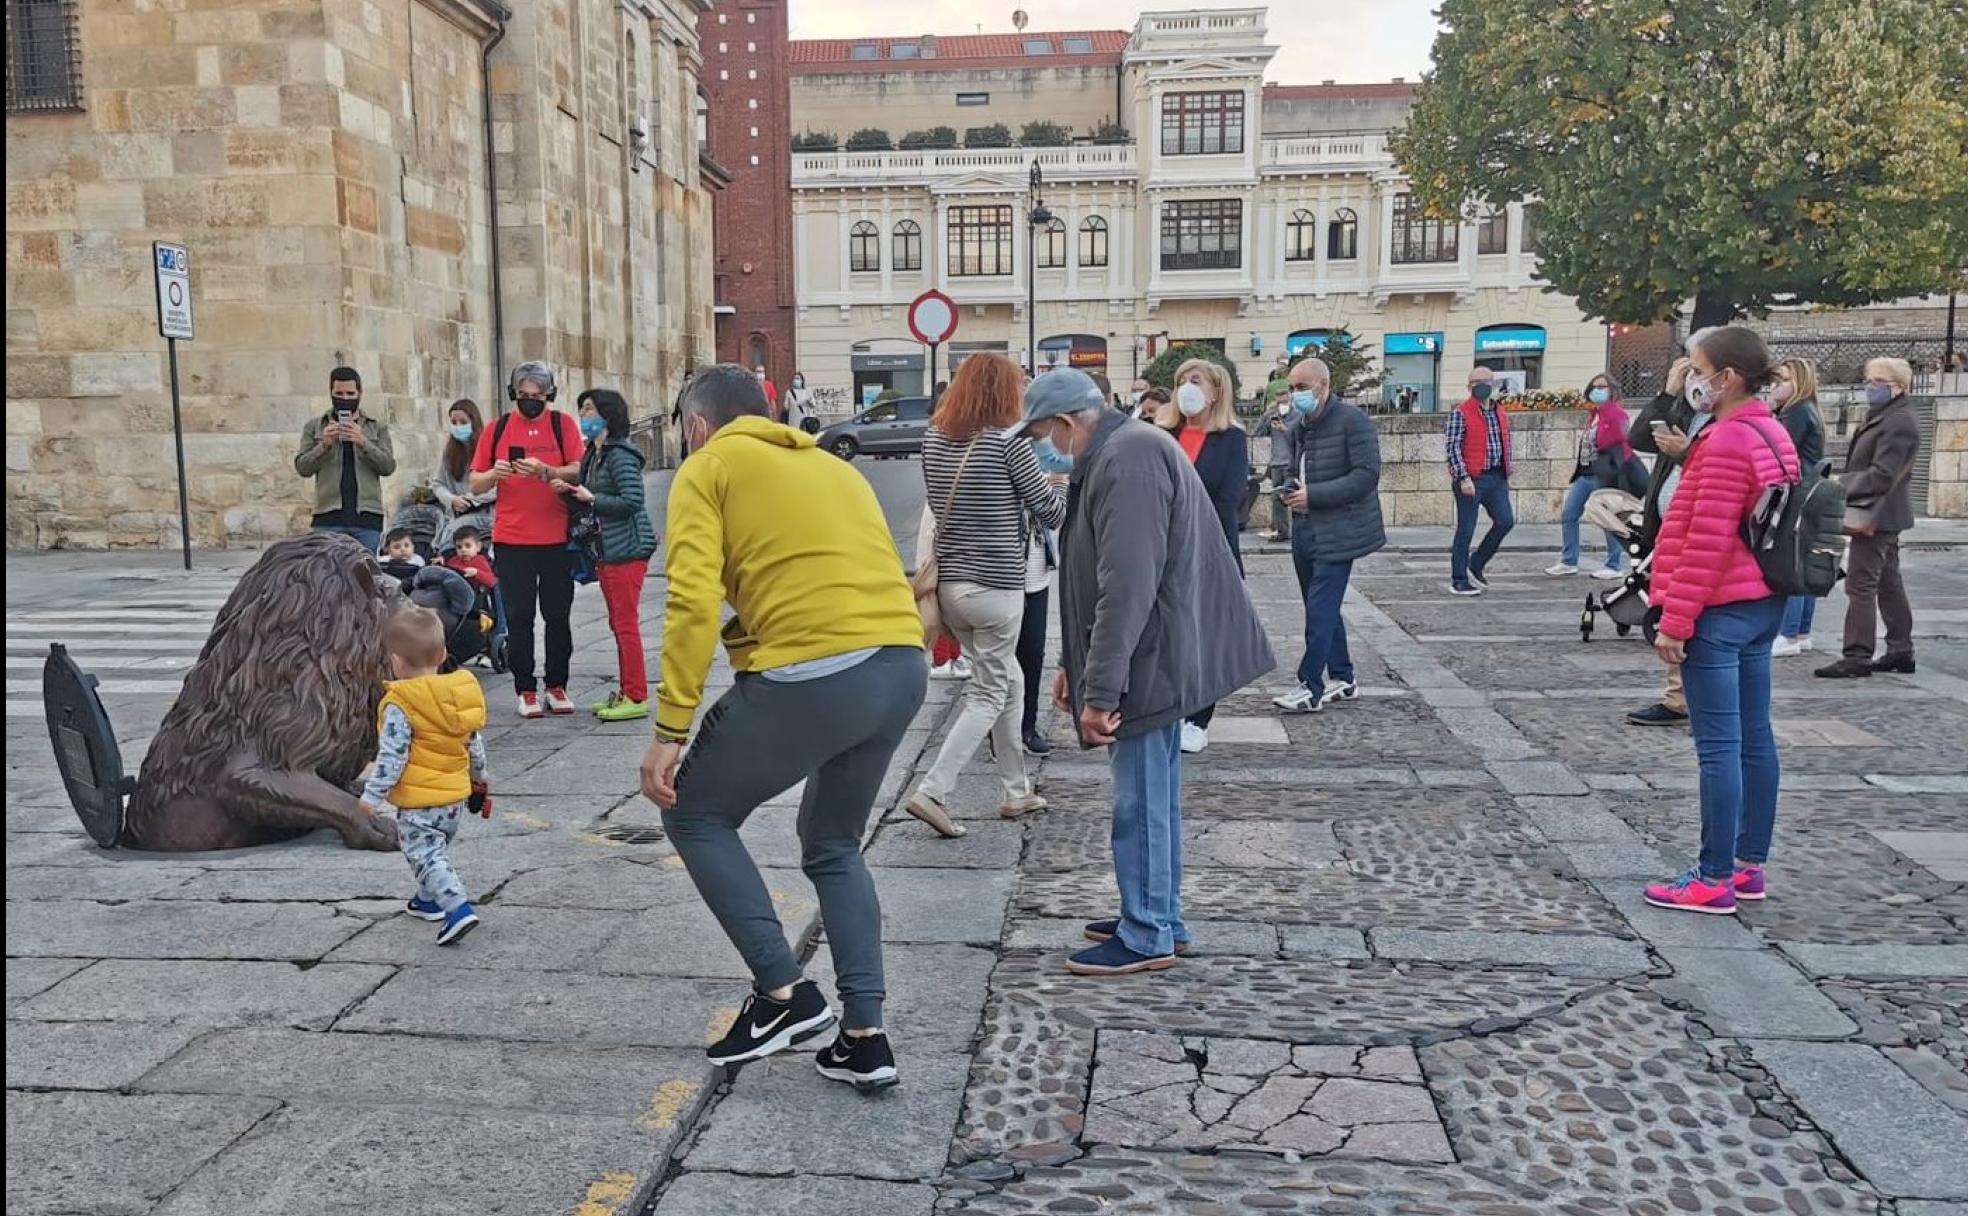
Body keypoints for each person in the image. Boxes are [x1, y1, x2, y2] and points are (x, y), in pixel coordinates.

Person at [640, 364, 927, 1090]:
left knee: (695, 814)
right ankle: (865, 1036)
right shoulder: (834, 468)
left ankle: (783, 993)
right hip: (899, 664)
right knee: (834, 844)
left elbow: (693, 602)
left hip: (815, 670)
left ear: (696, 424)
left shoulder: (708, 467)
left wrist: (670, 730)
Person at [1019, 369, 1275, 975]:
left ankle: (1146, 933)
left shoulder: (1127, 458)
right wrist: (1071, 666)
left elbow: (1125, 587)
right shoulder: (1124, 449)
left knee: (1140, 804)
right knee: (1153, 798)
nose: (1044, 445)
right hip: (1153, 652)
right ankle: (1160, 913)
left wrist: (1100, 690)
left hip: (1148, 659)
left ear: (1067, 421)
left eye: (1042, 433)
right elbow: (1098, 577)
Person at [1640, 326, 1796, 915]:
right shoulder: (1770, 429)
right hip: (1759, 602)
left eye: (1697, 367)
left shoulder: (1729, 439)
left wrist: (1675, 621)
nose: (1692, 377)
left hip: (1721, 608)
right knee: (1755, 738)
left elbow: (1705, 539)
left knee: (1720, 748)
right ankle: (1748, 866)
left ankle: (1712, 878)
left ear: (1727, 377)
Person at [906, 354, 1068, 835]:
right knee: (988, 691)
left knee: (1008, 679)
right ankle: (933, 789)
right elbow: (1051, 514)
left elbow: (940, 507)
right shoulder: (1008, 445)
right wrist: (1060, 483)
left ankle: (1016, 790)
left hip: (952, 587)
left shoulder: (933, 440)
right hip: (998, 588)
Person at [359, 607, 491, 945]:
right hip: (454, 798)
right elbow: (473, 744)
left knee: (425, 854)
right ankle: (426, 899)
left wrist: (372, 796)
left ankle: (457, 908)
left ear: (396, 662)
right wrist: (480, 780)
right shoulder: (456, 697)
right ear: (444, 654)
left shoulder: (400, 704)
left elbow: (392, 755)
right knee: (432, 850)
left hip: (420, 802)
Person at [470, 361, 584, 719]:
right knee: (519, 616)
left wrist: (545, 470)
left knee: (557, 615)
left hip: (555, 537)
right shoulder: (497, 428)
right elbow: (475, 482)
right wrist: (494, 473)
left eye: (537, 396)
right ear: (513, 395)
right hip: (512, 538)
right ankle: (525, 688)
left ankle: (556, 684)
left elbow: (579, 468)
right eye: (523, 395)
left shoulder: (561, 424)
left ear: (548, 395)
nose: (530, 401)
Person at [1272, 357, 1384, 713]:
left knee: (1320, 609)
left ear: (1322, 385)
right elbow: (1295, 467)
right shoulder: (1301, 425)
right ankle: (1343, 674)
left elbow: (1366, 475)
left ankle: (1310, 684)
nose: (1295, 394)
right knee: (1321, 606)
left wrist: (1315, 495)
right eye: (1291, 387)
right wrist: (1290, 489)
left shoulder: (1353, 422)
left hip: (1339, 530)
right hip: (1306, 528)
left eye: (1301, 387)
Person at [1156, 359, 1250, 754]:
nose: (1186, 388)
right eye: (1180, 381)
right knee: (1171, 635)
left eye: (1194, 381)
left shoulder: (1231, 438)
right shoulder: (1164, 434)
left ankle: (1199, 717)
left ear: (1215, 391)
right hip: (1166, 549)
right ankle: (1173, 706)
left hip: (1211, 547)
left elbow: (1230, 497)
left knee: (1206, 636)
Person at [1625, 331, 1719, 727]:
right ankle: (1678, 697)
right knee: (1671, 606)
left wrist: (1689, 453)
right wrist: (1667, 394)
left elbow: (1721, 467)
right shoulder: (1689, 405)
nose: (1692, 373)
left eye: (1698, 366)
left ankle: (1691, 701)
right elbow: (1639, 437)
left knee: (1693, 616)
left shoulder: (1728, 416)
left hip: (1701, 529)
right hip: (1669, 524)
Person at [554, 389, 659, 721]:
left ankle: (637, 694)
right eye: (582, 409)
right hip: (606, 548)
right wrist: (572, 491)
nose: (583, 416)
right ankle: (627, 690)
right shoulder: (594, 453)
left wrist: (592, 497)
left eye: (588, 410)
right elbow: (592, 497)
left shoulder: (619, 455)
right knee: (618, 623)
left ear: (607, 415)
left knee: (625, 625)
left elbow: (632, 501)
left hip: (626, 548)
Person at [1818, 357, 1922, 679]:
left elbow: (1882, 474)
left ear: (1899, 386)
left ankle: (1857, 654)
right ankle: (1900, 650)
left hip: (1879, 514)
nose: (1869, 386)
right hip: (1884, 513)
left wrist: (1840, 485)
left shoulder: (1899, 421)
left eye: (1878, 381)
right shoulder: (1888, 415)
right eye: (1868, 379)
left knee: (1860, 583)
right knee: (1889, 582)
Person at [296, 366, 396, 554]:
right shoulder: (314, 427)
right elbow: (302, 467)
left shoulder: (376, 427)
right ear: (331, 393)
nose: (345, 398)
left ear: (360, 393)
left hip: (366, 517)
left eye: (350, 393)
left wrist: (363, 442)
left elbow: (388, 466)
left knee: (364, 575)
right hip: (328, 517)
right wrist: (323, 446)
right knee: (326, 576)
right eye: (339, 393)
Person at [1548, 374, 1633, 579]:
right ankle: (1569, 561)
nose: (1597, 391)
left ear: (1612, 389)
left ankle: (1614, 565)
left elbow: (1623, 443)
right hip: (1585, 474)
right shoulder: (1594, 414)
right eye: (1594, 387)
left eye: (1602, 387)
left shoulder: (1617, 415)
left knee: (1607, 519)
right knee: (1569, 514)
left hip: (1604, 474)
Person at [1768, 359, 1826, 657]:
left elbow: (1780, 451)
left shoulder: (1796, 412)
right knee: (1802, 564)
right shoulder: (1806, 409)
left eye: (1782, 381)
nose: (1775, 387)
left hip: (1796, 493)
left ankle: (1789, 633)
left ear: (1798, 381)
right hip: (1809, 491)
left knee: (1791, 564)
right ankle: (1800, 631)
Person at [1444, 367, 1513, 595]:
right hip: (1471, 477)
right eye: (1475, 382)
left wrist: (1507, 468)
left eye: (1485, 381)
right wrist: (1463, 477)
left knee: (1505, 521)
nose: (1481, 385)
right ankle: (1459, 579)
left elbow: (1503, 441)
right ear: (1468, 386)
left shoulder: (1499, 412)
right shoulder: (1460, 413)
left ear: (1492, 384)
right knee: (1466, 529)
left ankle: (1477, 562)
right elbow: (1453, 447)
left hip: (1495, 476)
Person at [431, 399, 496, 554]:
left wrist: (470, 499)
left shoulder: (489, 448)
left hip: (485, 514)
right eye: (454, 422)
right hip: (457, 512)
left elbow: (499, 486)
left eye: (463, 422)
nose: (458, 427)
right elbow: (438, 483)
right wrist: (451, 500)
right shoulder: (450, 453)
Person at [1262, 394, 1295, 541]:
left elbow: (1300, 435)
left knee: (1293, 496)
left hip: (1290, 462)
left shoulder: (1298, 414)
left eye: (1284, 396)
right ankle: (1282, 531)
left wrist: (1284, 429)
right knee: (1276, 498)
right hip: (1276, 462)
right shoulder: (1273, 416)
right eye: (1278, 397)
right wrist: (1267, 416)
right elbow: (1258, 432)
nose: (1282, 401)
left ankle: (1295, 529)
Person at [440, 526, 497, 591]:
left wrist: (477, 573)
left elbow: (492, 581)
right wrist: (442, 562)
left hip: (473, 592)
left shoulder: (480, 560)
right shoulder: (454, 560)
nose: (463, 550)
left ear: (478, 547)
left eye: (468, 546)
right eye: (459, 547)